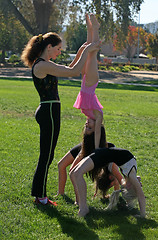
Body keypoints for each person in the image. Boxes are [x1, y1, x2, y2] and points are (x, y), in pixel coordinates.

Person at [21, 31, 100, 206]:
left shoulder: (46, 64)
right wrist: (87, 50)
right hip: (49, 111)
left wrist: (82, 50)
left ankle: (39, 193)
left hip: (50, 110)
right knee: (46, 156)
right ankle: (40, 197)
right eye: (58, 49)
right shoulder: (42, 66)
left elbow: (70, 68)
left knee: (47, 156)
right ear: (48, 47)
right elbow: (74, 71)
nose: (59, 52)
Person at [70, 147, 146, 218]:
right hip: (101, 155)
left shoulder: (129, 173)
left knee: (74, 173)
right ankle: (83, 208)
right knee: (76, 173)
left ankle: (82, 206)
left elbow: (126, 184)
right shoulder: (131, 175)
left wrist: (134, 185)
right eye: (129, 189)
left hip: (103, 154)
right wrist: (142, 215)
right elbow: (141, 195)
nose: (127, 187)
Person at [73, 14, 103, 149]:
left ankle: (90, 29)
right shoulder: (98, 117)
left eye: (86, 128)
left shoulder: (87, 114)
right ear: (96, 126)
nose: (87, 125)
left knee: (87, 48)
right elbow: (98, 134)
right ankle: (95, 28)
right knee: (92, 52)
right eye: (90, 127)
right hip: (91, 83)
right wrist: (97, 148)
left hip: (85, 81)